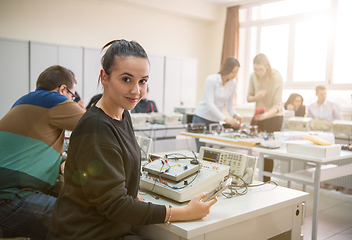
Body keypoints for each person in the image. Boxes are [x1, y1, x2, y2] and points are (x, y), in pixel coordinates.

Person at [47, 39, 217, 240]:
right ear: (104, 77)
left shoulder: (122, 115)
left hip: (107, 229)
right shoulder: (96, 127)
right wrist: (184, 213)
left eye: (143, 81)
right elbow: (115, 205)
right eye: (126, 79)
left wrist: (130, 192)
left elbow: (115, 178)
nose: (136, 90)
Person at [0, 65, 85, 239]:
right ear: (62, 89)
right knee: (82, 220)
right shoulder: (55, 100)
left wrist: (60, 162)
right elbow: (99, 128)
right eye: (72, 95)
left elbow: (29, 150)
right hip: (10, 199)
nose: (72, 100)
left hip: (9, 196)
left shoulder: (23, 100)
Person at [247, 53, 283, 182]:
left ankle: (266, 181)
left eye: (260, 69)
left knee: (268, 152)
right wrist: (258, 97)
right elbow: (249, 97)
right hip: (259, 116)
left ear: (267, 66)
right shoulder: (254, 76)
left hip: (273, 117)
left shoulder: (276, 77)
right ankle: (249, 179)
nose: (258, 72)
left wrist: (266, 116)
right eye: (255, 69)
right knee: (251, 146)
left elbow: (278, 105)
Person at [192, 56, 241, 151]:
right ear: (227, 69)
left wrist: (235, 115)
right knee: (202, 150)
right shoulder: (211, 80)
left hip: (215, 120)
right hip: (201, 118)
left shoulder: (233, 83)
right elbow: (210, 105)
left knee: (213, 152)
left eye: (236, 72)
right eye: (233, 72)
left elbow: (229, 106)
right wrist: (226, 119)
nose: (234, 75)